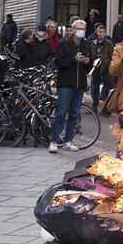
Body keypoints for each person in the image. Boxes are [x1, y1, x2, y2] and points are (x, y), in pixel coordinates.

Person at [48, 18, 91, 152]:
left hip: (80, 86)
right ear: (73, 30)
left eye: (83, 29)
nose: (81, 31)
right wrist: (73, 59)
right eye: (79, 29)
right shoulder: (63, 44)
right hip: (66, 84)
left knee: (74, 114)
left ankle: (68, 140)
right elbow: (58, 62)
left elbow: (89, 67)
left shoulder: (86, 45)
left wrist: (87, 62)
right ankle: (54, 140)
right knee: (60, 113)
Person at [90, 23, 114, 114]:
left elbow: (112, 56)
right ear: (97, 32)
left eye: (103, 32)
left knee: (107, 88)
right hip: (96, 68)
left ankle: (107, 108)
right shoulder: (93, 44)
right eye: (100, 32)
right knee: (95, 88)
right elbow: (92, 56)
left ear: (105, 33)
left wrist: (109, 65)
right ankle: (94, 107)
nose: (101, 34)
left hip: (106, 68)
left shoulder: (109, 43)